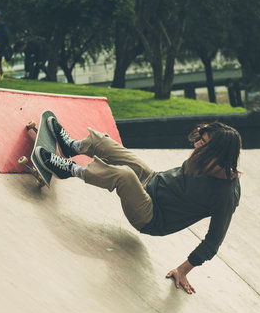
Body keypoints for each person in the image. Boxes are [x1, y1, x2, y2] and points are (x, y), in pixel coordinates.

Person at [35, 118, 242, 294]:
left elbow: (213, 242)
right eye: (199, 139)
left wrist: (183, 270)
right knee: (107, 144)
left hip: (151, 216)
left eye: (203, 143)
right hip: (152, 180)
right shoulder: (204, 157)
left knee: (124, 174)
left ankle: (71, 169)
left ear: (218, 153)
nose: (196, 145)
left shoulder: (225, 195)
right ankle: (72, 146)